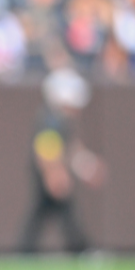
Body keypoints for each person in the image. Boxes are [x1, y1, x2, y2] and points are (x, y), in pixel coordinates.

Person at [19, 68, 106, 253]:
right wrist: (55, 174)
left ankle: (25, 252)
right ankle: (81, 250)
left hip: (49, 174)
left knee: (43, 213)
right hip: (49, 174)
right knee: (63, 213)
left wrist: (87, 166)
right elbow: (47, 149)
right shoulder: (52, 120)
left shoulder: (60, 119)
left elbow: (70, 148)